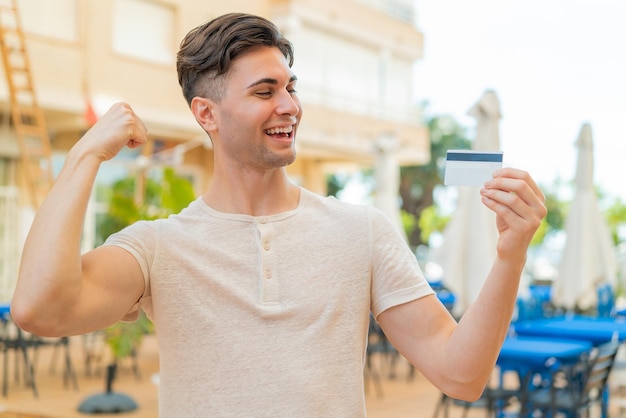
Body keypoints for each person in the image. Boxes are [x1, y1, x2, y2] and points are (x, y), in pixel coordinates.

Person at [11, 12, 546, 417]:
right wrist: (85, 155)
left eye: (290, 87)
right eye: (265, 91)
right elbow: (39, 310)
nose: (288, 106)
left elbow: (462, 376)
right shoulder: (157, 249)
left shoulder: (361, 232)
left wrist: (509, 255)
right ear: (207, 114)